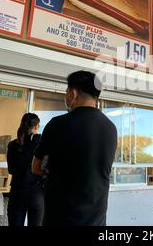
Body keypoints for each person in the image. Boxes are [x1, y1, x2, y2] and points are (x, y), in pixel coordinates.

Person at [32, 70, 117, 226]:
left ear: (73, 93)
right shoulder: (111, 128)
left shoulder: (57, 124)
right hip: (96, 219)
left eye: (66, 92)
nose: (66, 96)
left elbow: (36, 166)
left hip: (61, 218)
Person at [7, 113, 44, 226]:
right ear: (36, 126)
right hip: (36, 194)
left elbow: (11, 170)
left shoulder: (13, 145)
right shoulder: (40, 143)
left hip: (17, 193)